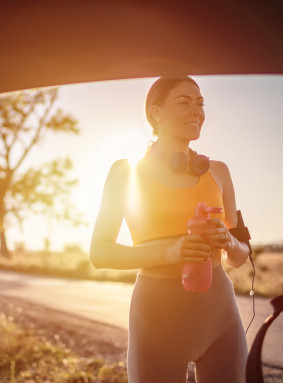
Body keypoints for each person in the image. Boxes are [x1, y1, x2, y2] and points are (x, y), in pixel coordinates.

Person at [89, 76, 251, 382]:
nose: (197, 111)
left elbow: (240, 257)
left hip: (220, 317)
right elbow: (100, 252)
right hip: (156, 318)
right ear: (156, 112)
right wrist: (169, 251)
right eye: (184, 102)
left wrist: (229, 241)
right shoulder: (126, 173)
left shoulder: (219, 172)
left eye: (201, 103)